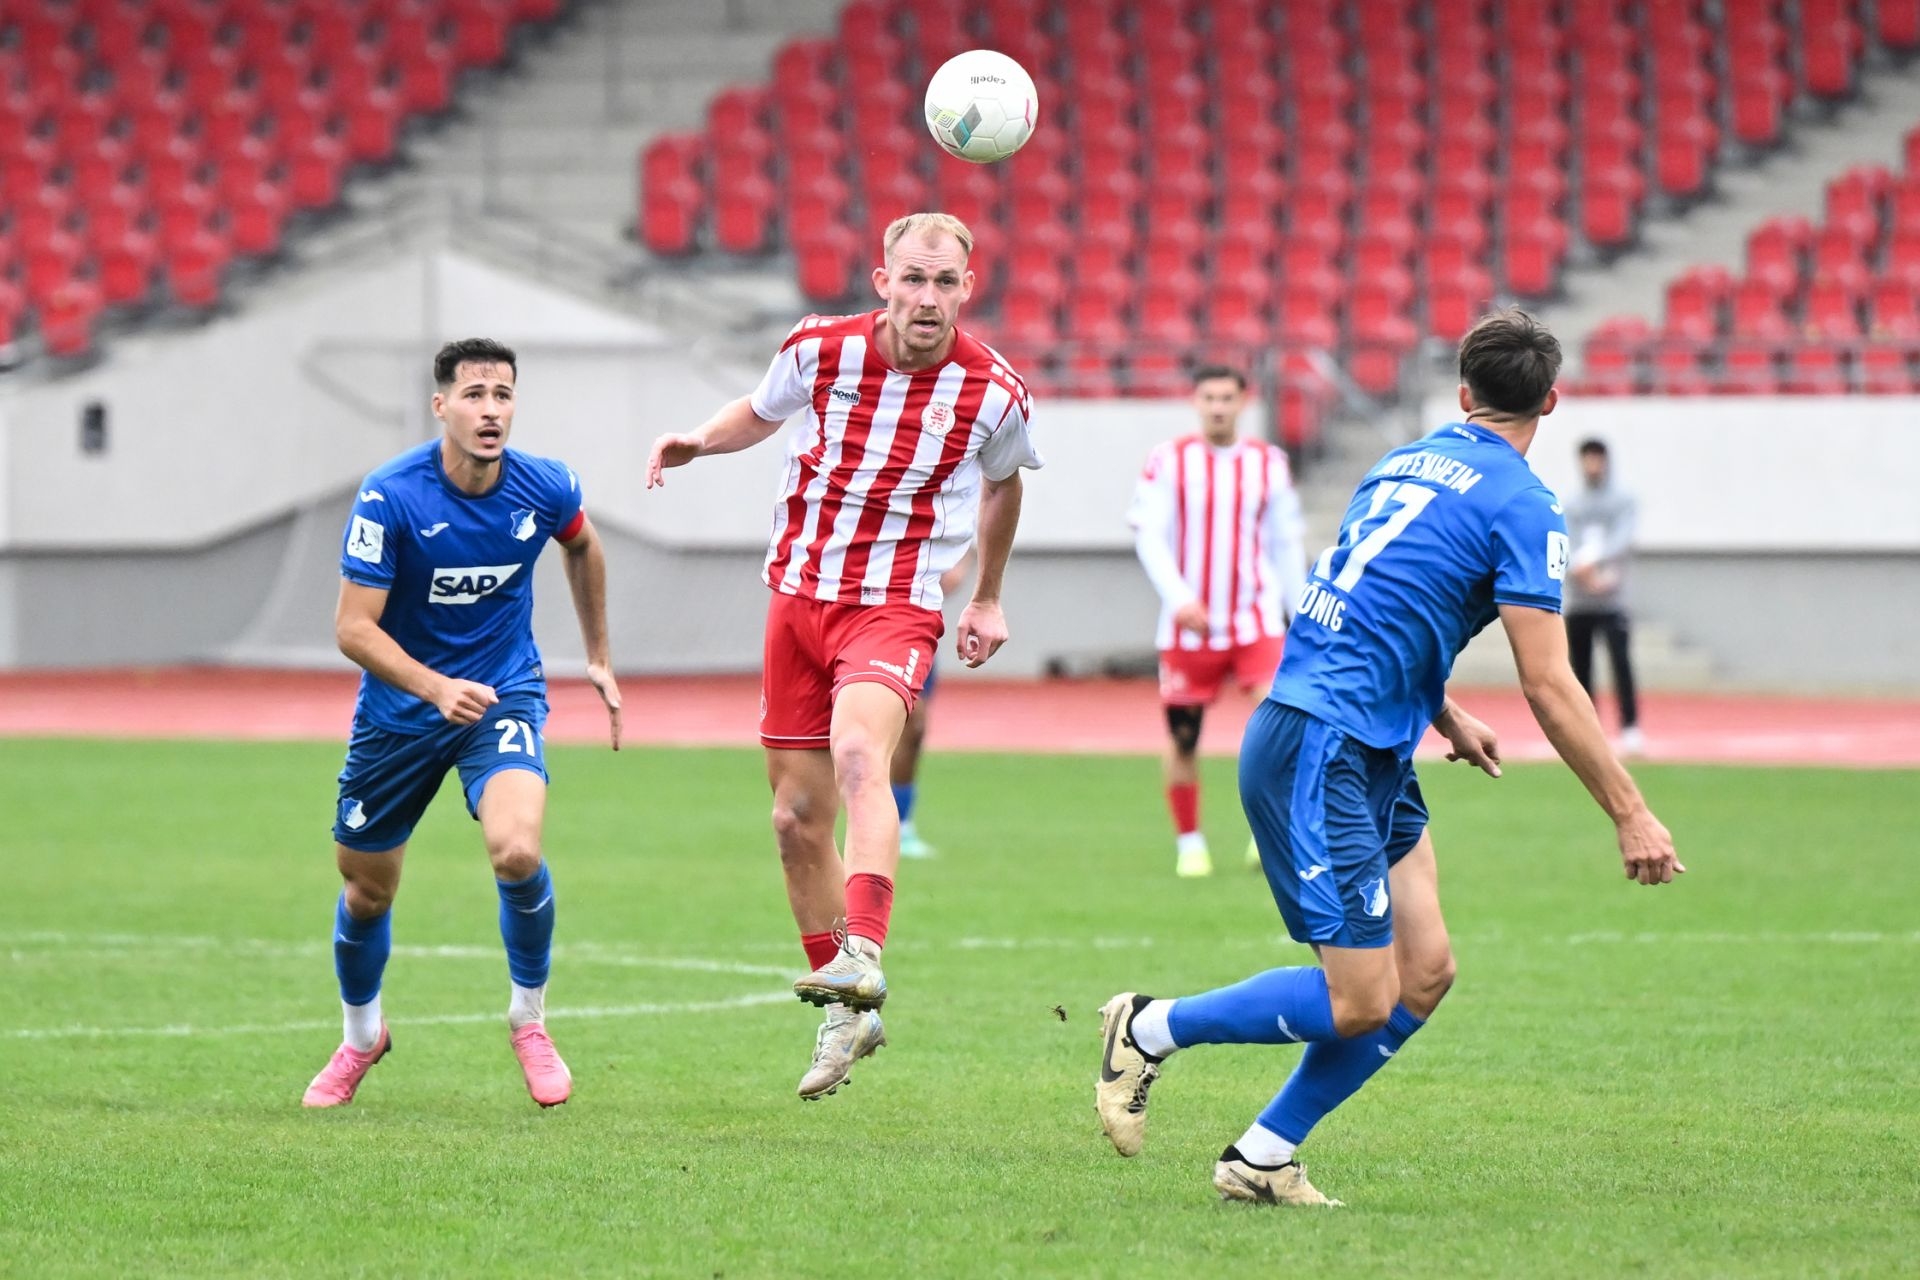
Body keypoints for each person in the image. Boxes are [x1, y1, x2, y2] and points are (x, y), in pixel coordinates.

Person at [1094, 310, 1683, 1205]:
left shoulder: (1404, 461)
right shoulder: (1525, 504)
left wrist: (1441, 711)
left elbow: (1376, 600)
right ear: (1552, 403)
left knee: (1426, 971)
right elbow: (1549, 681)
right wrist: (1630, 813)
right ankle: (1149, 1027)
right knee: (1361, 999)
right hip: (1322, 742)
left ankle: (1262, 1156)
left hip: (1369, 740)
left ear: (1463, 394)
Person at [647, 212, 1041, 1101]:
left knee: (862, 753)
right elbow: (758, 412)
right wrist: (699, 441)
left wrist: (986, 595)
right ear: (882, 281)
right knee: (794, 820)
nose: (928, 298)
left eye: (945, 282)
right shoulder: (818, 348)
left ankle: (863, 949)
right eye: (914, 279)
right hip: (796, 600)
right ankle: (846, 1013)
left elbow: (1004, 486)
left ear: (967, 289)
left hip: (895, 605)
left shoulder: (993, 391)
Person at [303, 338, 623, 1110]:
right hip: (400, 711)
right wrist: (435, 687)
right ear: (440, 405)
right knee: (366, 891)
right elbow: (352, 628)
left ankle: (529, 1019)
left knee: (517, 850)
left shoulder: (545, 485)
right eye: (475, 395)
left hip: (503, 695)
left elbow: (583, 545)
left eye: (503, 395)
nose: (490, 411)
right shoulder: (390, 496)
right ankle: (361, 1037)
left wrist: (598, 655)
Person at [1129, 364, 1307, 878]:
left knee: (1282, 725)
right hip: (1189, 627)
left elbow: (1285, 542)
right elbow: (1148, 535)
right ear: (1196, 401)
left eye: (1227, 398)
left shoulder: (1269, 463)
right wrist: (1179, 597)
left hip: (1255, 620)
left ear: (1243, 402)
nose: (1218, 407)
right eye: (1209, 398)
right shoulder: (1168, 460)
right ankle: (1190, 844)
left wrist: (1299, 612)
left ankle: (1266, 833)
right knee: (1184, 738)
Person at [891, 550, 975, 860]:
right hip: (867, 620)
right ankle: (878, 824)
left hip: (914, 625)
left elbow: (948, 580)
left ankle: (900, 825)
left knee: (913, 729)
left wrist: (970, 552)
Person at [1565, 438, 1642, 754]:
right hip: (1579, 600)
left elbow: (1623, 539)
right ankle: (1588, 730)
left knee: (1621, 664)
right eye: (1588, 459)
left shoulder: (1623, 500)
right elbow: (1565, 542)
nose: (1593, 465)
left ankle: (1630, 728)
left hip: (1612, 598)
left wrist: (1596, 565)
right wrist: (1580, 570)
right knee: (1581, 668)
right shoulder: (1572, 503)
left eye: (1597, 459)